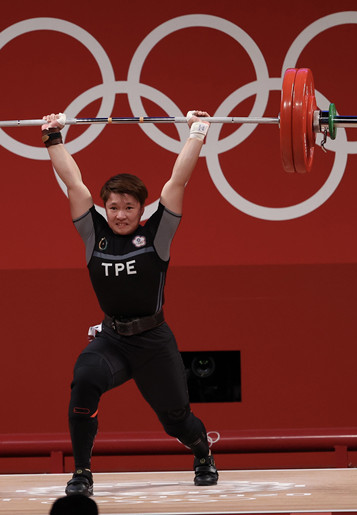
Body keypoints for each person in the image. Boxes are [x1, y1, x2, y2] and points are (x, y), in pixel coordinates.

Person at [41, 110, 219, 497]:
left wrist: (197, 132)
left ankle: (203, 453)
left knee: (176, 421)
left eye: (129, 207)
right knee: (85, 379)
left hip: (154, 343)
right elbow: (74, 183)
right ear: (104, 207)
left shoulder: (158, 235)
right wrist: (53, 137)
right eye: (113, 207)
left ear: (142, 209)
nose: (120, 215)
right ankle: (82, 472)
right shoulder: (93, 234)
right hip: (113, 340)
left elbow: (178, 181)